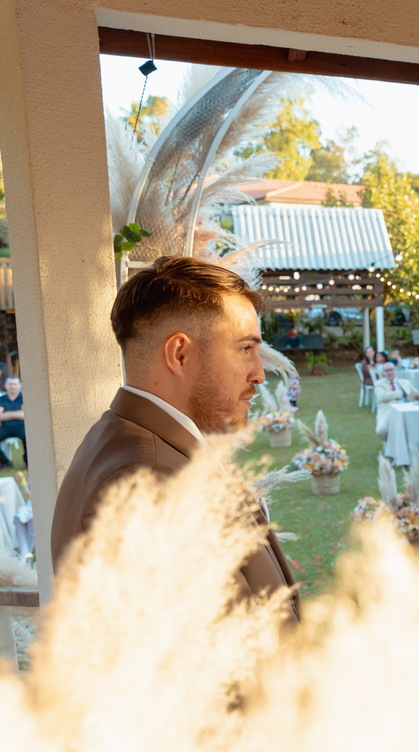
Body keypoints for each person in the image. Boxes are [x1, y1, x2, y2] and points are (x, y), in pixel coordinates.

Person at [49, 255, 299, 623]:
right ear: (180, 354)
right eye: (245, 349)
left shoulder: (132, 441)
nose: (259, 373)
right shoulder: (151, 484)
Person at [374, 362, 419, 440]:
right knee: (381, 429)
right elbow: (381, 396)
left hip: (406, 411)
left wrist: (416, 395)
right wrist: (401, 393)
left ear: (395, 370)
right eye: (387, 370)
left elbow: (418, 393)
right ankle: (392, 444)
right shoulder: (379, 384)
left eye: (391, 370)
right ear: (383, 373)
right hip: (388, 412)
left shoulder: (405, 382)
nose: (389, 372)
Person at [0, 376, 26, 469]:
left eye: (15, 384)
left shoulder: (24, 397)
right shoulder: (1, 399)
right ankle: (5, 462)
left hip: (21, 427)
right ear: (5, 386)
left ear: (19, 385)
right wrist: (18, 414)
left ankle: (28, 461)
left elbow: (25, 416)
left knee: (28, 436)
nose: (12, 386)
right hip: (5, 427)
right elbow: (0, 416)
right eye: (10, 384)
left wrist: (6, 414)